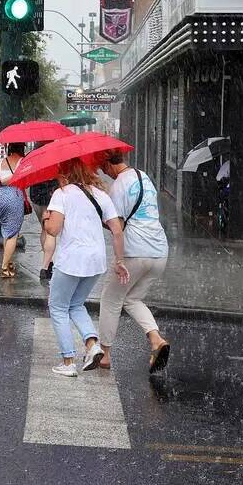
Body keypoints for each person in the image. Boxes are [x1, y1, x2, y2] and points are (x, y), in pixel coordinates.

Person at [41, 158, 126, 378]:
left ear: (65, 172)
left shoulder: (62, 194)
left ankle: (68, 361)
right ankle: (92, 345)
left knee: (58, 307)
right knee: (76, 304)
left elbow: (54, 230)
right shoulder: (101, 195)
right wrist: (120, 261)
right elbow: (117, 230)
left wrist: (46, 219)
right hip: (96, 260)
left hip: (72, 260)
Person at [98, 151, 171, 373]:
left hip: (135, 252)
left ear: (108, 164)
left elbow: (116, 227)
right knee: (132, 298)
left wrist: (102, 205)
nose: (103, 172)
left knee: (110, 299)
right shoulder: (143, 176)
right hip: (159, 252)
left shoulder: (119, 185)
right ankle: (156, 339)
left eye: (103, 167)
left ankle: (105, 355)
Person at [0, 143, 29, 278]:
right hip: (14, 197)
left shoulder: (1, 162)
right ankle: (4, 267)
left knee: (6, 232)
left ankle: (8, 263)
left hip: (0, 198)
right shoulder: (23, 162)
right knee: (13, 235)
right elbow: (24, 182)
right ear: (21, 148)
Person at [28, 142, 60, 282]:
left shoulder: (33, 156)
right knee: (50, 231)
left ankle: (48, 260)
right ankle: (47, 265)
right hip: (51, 195)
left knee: (43, 228)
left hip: (36, 195)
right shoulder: (55, 155)